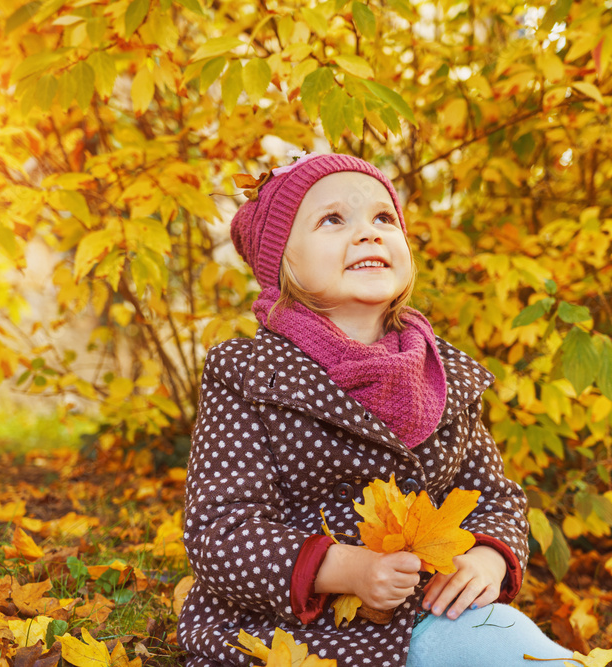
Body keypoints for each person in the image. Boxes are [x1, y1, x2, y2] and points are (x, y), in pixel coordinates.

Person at [177, 152, 573, 666]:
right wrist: (345, 568)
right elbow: (220, 532)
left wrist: (489, 555)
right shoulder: (249, 374)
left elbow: (492, 494)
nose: (368, 233)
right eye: (332, 219)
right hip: (293, 634)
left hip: (431, 618)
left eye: (384, 218)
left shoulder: (441, 374)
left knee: (509, 641)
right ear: (281, 264)